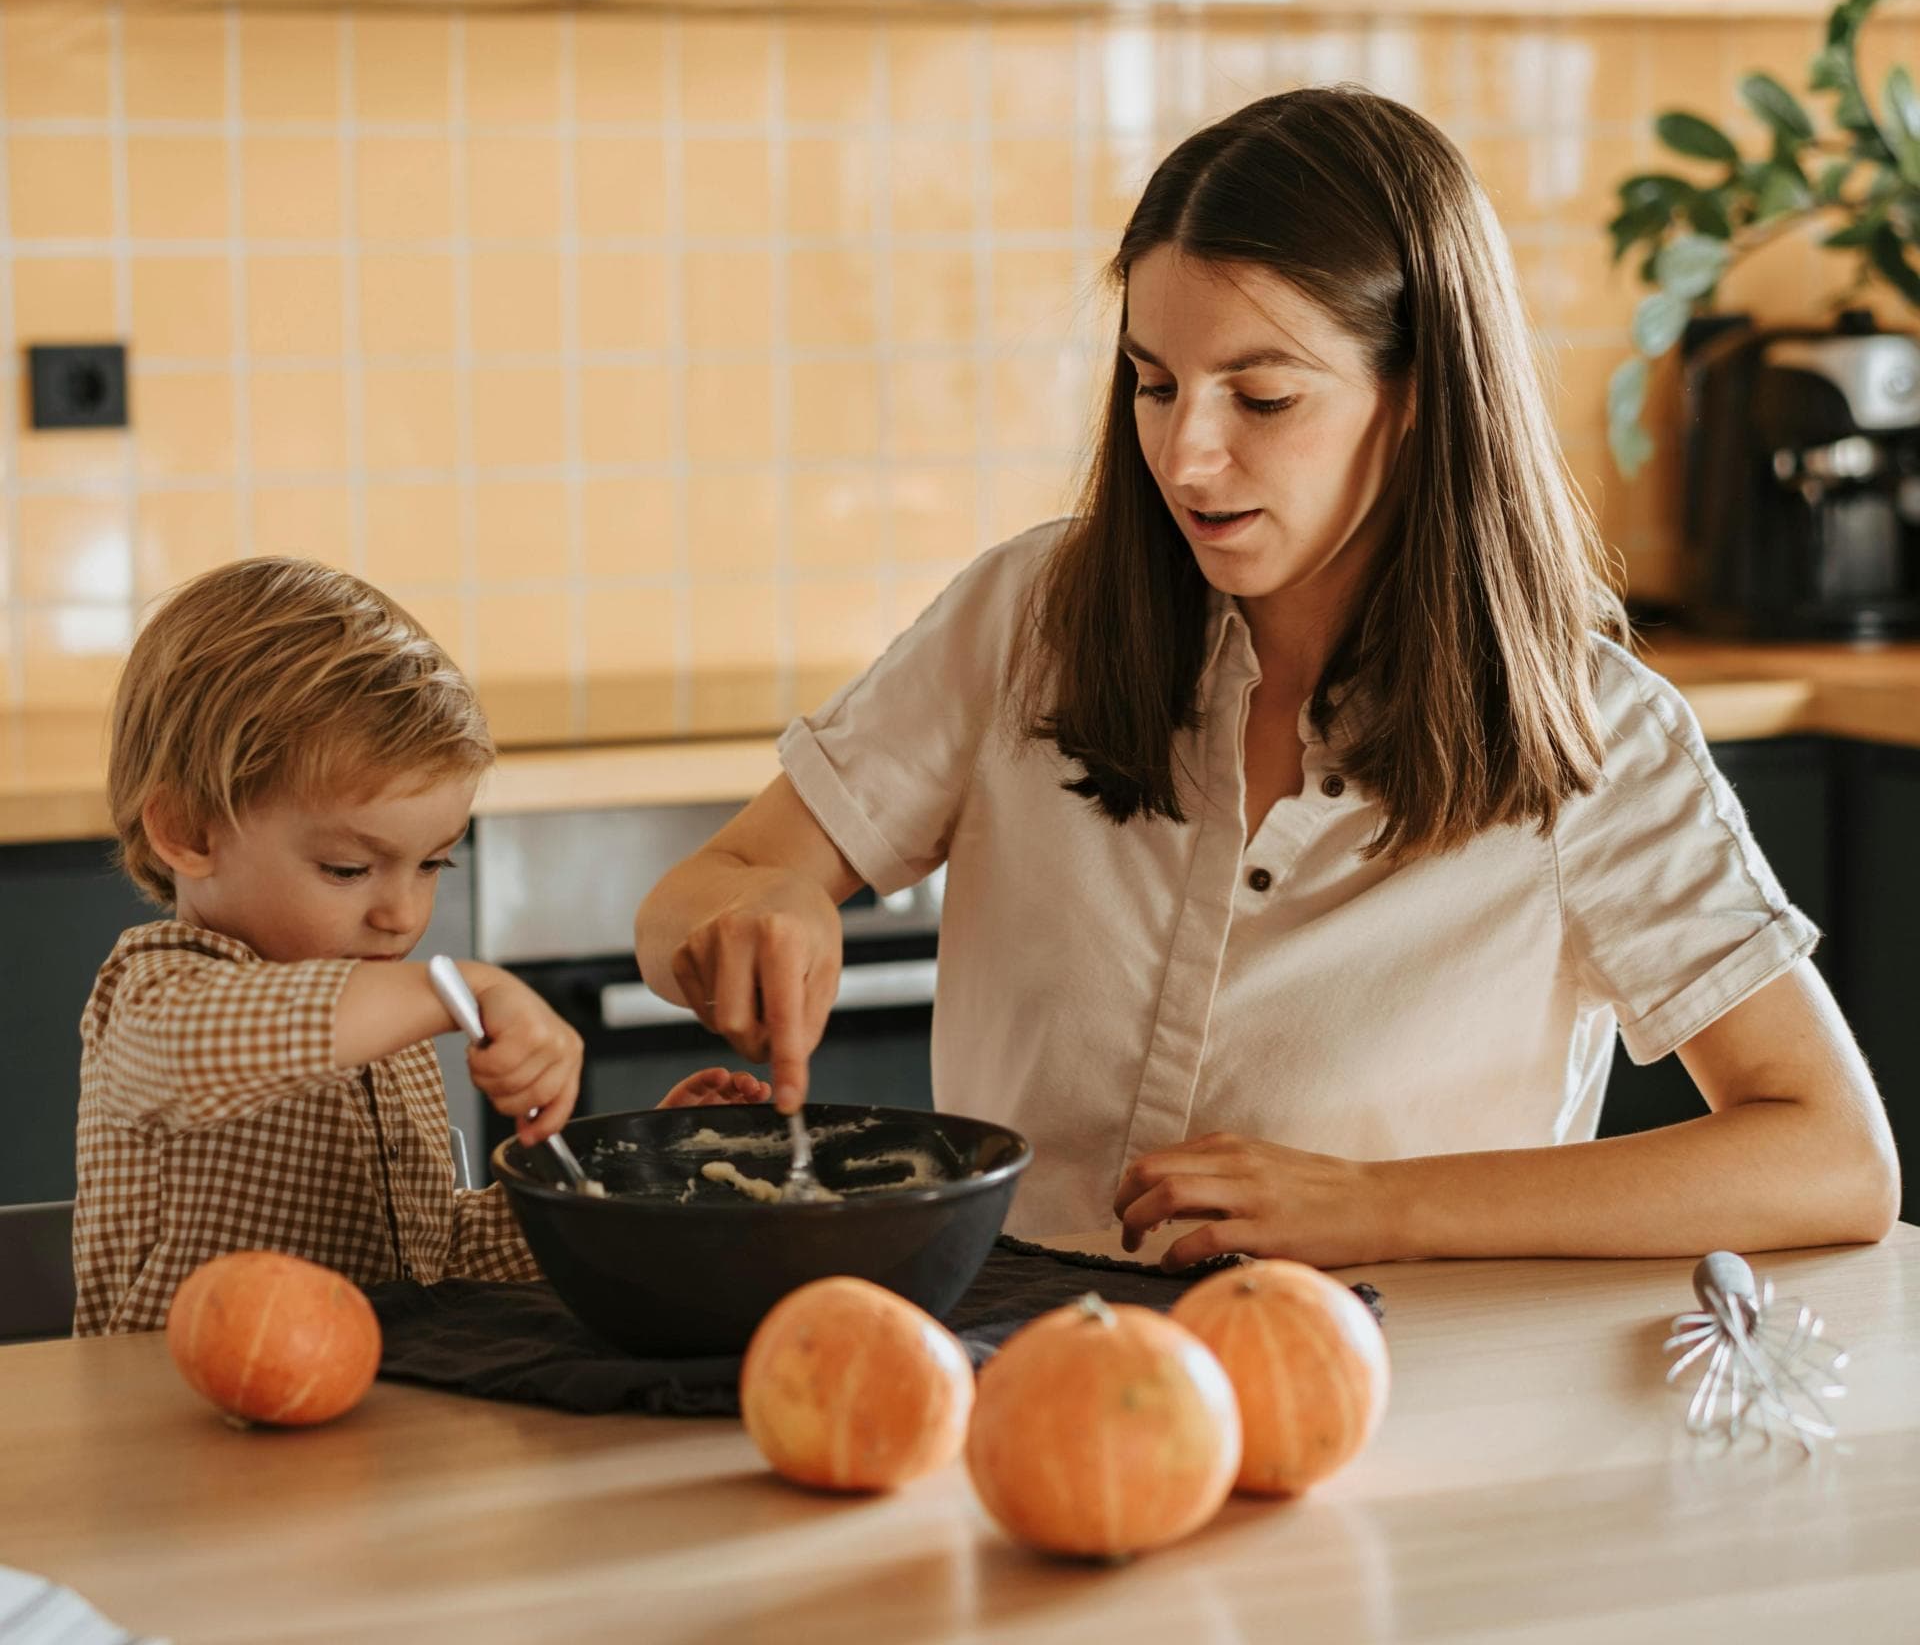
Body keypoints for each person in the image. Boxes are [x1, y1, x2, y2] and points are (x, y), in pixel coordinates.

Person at [634, 86, 1900, 1268]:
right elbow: (708, 886)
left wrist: (1378, 1206)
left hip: (1392, 1402)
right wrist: (755, 913)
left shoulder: (1592, 737)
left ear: (1419, 399)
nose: (1186, 456)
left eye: (1264, 396)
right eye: (1155, 384)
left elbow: (1832, 1155)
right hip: (1012, 1370)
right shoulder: (1030, 619)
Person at [74, 557, 766, 1335]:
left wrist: (632, 1175)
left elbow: (433, 1260)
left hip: (365, 1420)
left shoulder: (388, 1025)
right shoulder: (151, 996)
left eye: (435, 862)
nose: (403, 915)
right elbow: (209, 1046)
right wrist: (452, 986)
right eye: (348, 868)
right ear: (188, 832)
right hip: (172, 1431)